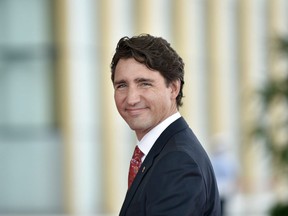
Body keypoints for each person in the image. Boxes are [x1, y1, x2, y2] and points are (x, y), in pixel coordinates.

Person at [110, 34, 221, 216]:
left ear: (173, 88)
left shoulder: (178, 162)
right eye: (122, 85)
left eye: (144, 84)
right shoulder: (166, 151)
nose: (131, 99)